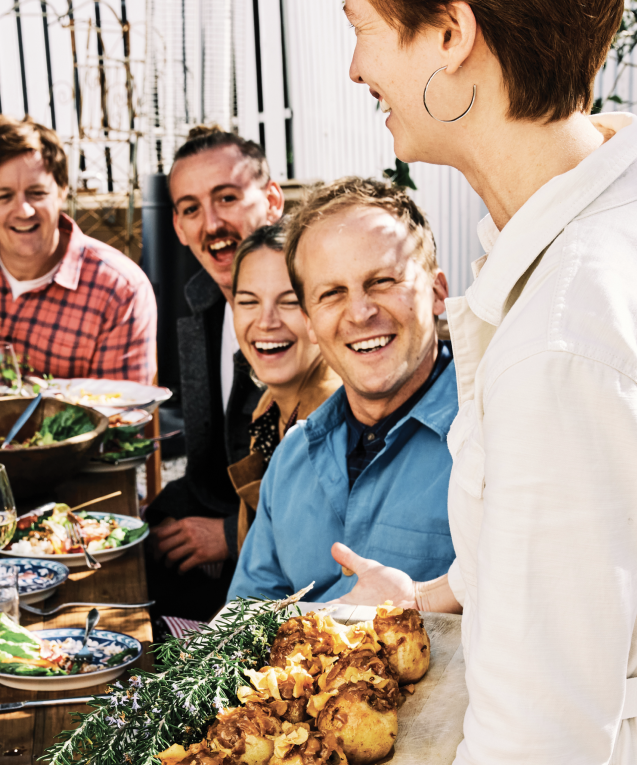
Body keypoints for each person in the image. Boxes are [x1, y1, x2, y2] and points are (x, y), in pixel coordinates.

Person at [153, 2, 637, 765]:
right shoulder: (602, 241)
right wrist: (435, 600)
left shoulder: (565, 327)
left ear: (451, 32)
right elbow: (601, 567)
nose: (354, 66)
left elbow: (540, 746)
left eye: (362, 23)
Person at [229, 177, 457, 602]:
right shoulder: (291, 458)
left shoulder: (491, 435)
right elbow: (243, 621)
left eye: (383, 281)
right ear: (311, 322)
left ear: (438, 292)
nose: (360, 312)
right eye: (332, 293)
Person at [145, 126, 284, 620]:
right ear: (178, 228)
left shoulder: (309, 306)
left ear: (271, 201)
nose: (212, 223)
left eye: (226, 198)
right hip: (232, 534)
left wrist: (226, 534)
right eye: (190, 209)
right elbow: (205, 465)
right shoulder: (199, 305)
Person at [0, 114, 156, 383]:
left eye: (37, 193)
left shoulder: (120, 291)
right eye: (4, 196)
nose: (24, 210)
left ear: (62, 190)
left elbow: (119, 417)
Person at [228, 222, 342, 552]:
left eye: (290, 301)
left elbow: (317, 578)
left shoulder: (335, 421)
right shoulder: (269, 406)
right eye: (248, 301)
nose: (266, 321)